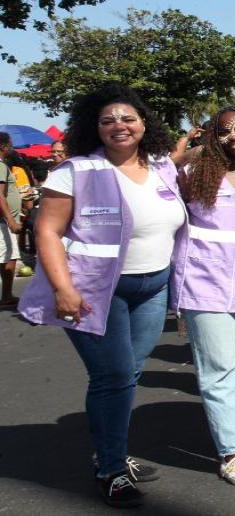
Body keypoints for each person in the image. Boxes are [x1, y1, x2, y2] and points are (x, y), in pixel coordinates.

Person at [18, 84, 186, 507]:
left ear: (145, 124)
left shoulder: (163, 167)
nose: (119, 126)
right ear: (94, 127)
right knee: (112, 377)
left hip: (152, 287)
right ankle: (110, 469)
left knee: (126, 376)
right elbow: (47, 231)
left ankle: (112, 452)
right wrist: (64, 288)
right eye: (108, 119)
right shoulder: (73, 171)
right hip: (96, 292)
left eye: (128, 118)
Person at [172, 105, 235, 486]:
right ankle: (231, 452)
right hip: (203, 284)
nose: (234, 135)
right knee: (217, 372)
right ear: (212, 138)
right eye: (224, 130)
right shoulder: (193, 175)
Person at [0, 133, 23, 307]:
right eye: (10, 145)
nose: (12, 148)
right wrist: (11, 221)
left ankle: (7, 295)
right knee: (9, 256)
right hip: (4, 222)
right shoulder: (0, 165)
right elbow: (0, 195)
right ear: (3, 146)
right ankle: (6, 296)